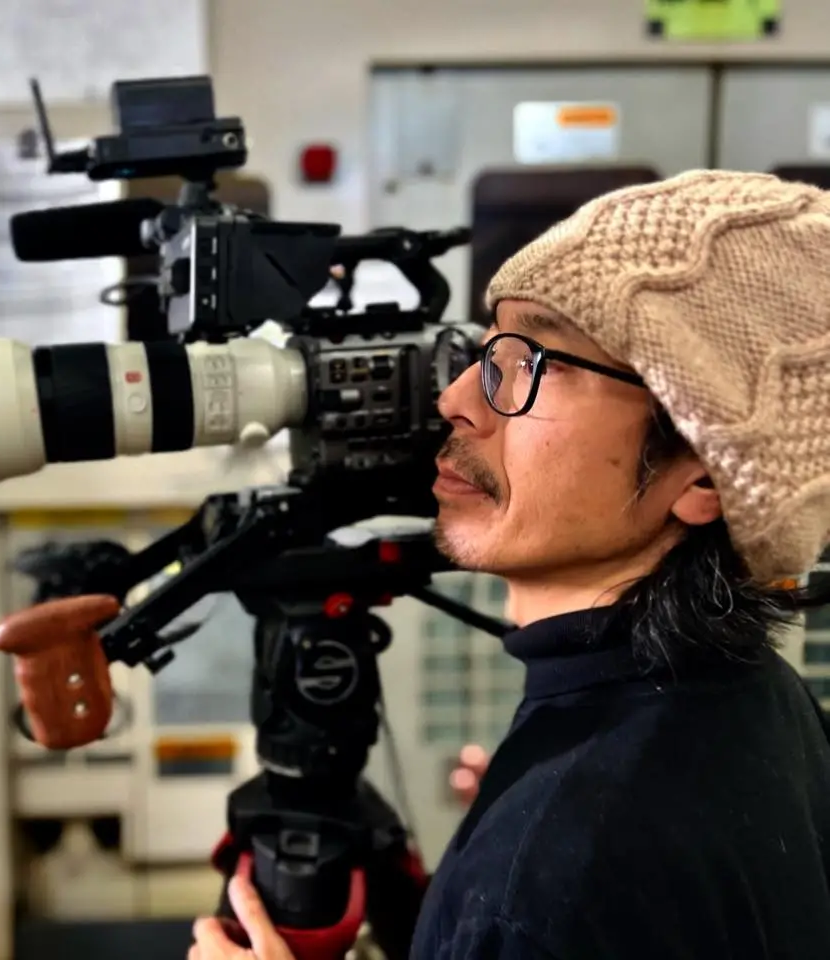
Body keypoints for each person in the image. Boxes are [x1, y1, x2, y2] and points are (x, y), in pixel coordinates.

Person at [189, 169, 830, 959]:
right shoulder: (763, 699)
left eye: (537, 361)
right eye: (487, 348)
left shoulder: (546, 878)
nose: (457, 399)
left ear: (702, 475)